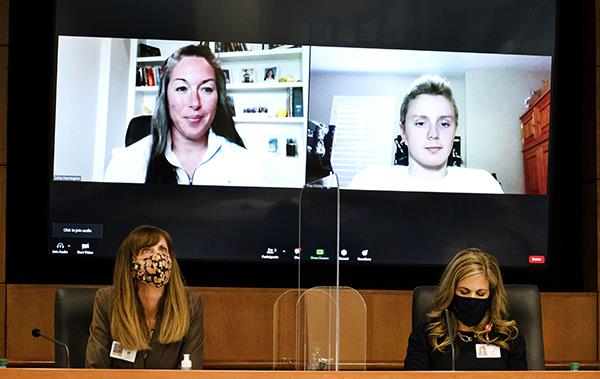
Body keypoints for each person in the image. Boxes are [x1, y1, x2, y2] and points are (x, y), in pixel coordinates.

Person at [104, 44, 263, 185]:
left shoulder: (247, 166)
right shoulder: (126, 164)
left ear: (218, 97)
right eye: (182, 88)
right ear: (165, 96)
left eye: (206, 89)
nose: (195, 102)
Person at [348, 75, 503, 193]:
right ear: (403, 133)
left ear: (454, 130)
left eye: (444, 124)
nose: (433, 134)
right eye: (421, 123)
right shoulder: (369, 182)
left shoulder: (483, 185)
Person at [85, 225, 204, 369]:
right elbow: (96, 368)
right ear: (130, 264)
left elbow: (192, 368)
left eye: (162, 250)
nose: (157, 256)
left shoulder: (190, 303)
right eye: (146, 250)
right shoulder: (107, 300)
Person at [404, 248, 527, 370]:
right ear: (451, 292)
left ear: (492, 296)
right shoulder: (426, 336)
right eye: (464, 292)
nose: (472, 299)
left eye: (480, 294)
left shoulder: (508, 337)